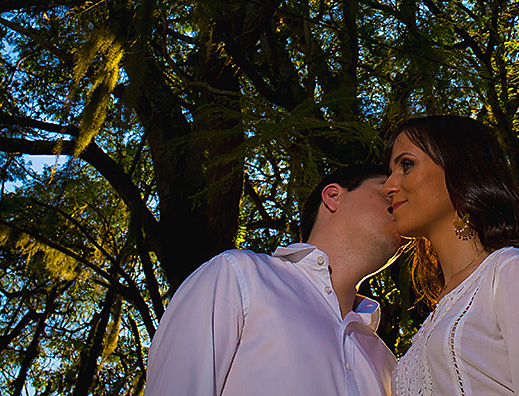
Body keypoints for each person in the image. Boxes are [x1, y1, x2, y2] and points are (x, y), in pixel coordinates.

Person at [145, 163, 402, 396]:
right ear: (333, 196)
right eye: (387, 193)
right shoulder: (240, 276)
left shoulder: (388, 364)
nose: (400, 203)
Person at [382, 115, 519, 396]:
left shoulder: (515, 270)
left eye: (406, 165)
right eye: (390, 172)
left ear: (460, 168)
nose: (388, 187)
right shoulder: (440, 311)